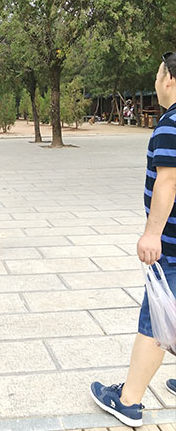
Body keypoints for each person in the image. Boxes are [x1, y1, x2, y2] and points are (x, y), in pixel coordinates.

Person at [90, 51, 176, 427]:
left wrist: (152, 234)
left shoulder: (171, 125)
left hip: (172, 243)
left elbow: (168, 182)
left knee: (157, 317)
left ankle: (129, 400)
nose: (156, 83)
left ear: (169, 79)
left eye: (158, 75)